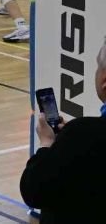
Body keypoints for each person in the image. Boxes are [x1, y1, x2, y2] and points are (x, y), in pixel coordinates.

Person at [21, 38, 106, 223]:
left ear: (104, 81)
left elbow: (34, 191)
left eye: (98, 68)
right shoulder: (80, 134)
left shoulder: (82, 134)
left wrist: (46, 144)